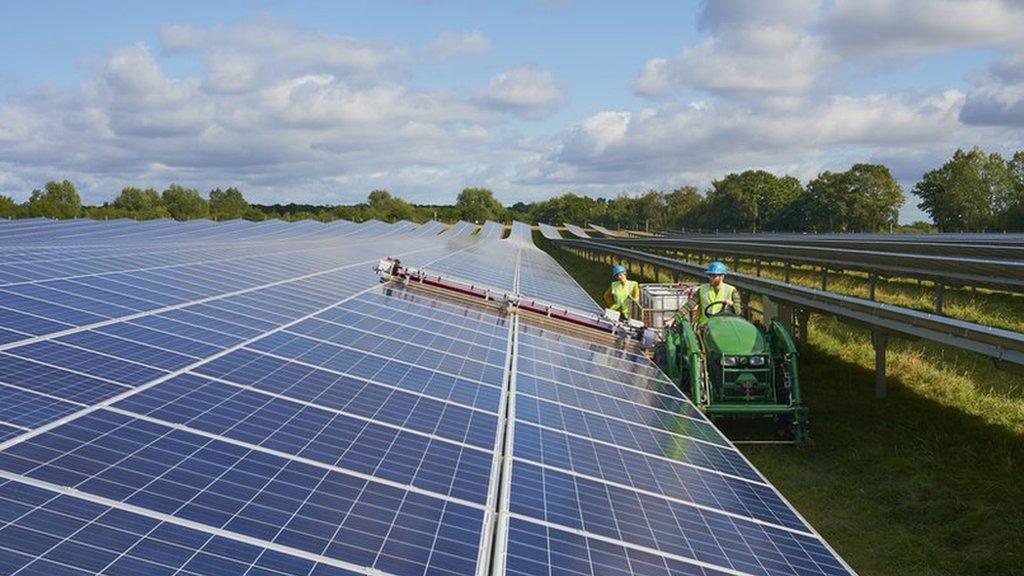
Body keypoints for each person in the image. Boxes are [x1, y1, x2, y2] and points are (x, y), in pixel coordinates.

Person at [666, 261, 741, 328]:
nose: (711, 278)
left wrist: (732, 304)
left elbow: (738, 312)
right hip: (704, 326)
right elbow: (689, 306)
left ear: (722, 276)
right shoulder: (702, 289)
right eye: (710, 275)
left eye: (714, 276)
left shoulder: (731, 290)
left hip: (724, 327)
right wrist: (673, 319)